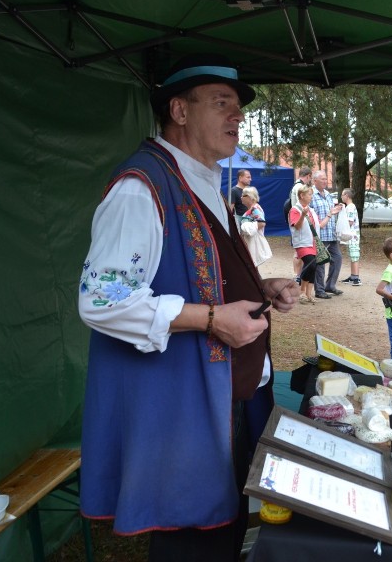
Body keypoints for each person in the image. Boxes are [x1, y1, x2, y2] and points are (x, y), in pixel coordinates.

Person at [77, 53, 299, 562]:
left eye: (239, 108)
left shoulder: (200, 179)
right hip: (183, 409)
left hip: (230, 399)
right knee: (192, 542)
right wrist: (211, 320)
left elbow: (201, 274)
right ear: (178, 110)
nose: (236, 116)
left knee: (227, 531)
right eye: (222, 103)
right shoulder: (141, 186)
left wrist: (261, 288)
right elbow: (102, 300)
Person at [309, 170, 344, 299]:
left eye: (326, 179)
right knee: (321, 262)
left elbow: (331, 211)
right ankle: (319, 290)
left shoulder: (328, 194)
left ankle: (330, 285)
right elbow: (310, 215)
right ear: (315, 181)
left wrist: (337, 209)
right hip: (320, 234)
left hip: (331, 233)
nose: (325, 181)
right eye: (322, 179)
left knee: (338, 258)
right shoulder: (311, 195)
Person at [289, 183, 321, 304]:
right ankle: (302, 291)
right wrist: (302, 215)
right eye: (309, 194)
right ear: (301, 195)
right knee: (310, 265)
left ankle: (308, 294)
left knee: (314, 267)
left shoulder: (311, 210)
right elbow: (296, 226)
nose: (311, 197)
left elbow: (318, 225)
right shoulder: (295, 210)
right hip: (302, 243)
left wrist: (330, 214)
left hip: (312, 243)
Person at [288, 167, 313, 282]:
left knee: (299, 252)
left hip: (300, 219)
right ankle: (297, 275)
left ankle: (298, 275)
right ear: (308, 176)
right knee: (298, 252)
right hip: (298, 220)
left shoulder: (296, 185)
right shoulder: (299, 187)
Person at [239, 186, 271, 267]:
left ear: (250, 197)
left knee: (252, 264)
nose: (241, 197)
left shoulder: (255, 209)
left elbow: (262, 223)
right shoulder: (252, 209)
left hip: (254, 240)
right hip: (250, 240)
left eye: (243, 195)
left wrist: (247, 227)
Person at [338, 188, 362, 286]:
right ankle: (353, 276)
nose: (341, 197)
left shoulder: (351, 207)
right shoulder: (348, 207)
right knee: (352, 255)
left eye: (342, 195)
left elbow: (350, 221)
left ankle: (356, 278)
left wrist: (343, 229)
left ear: (347, 196)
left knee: (354, 255)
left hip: (353, 236)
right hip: (351, 236)